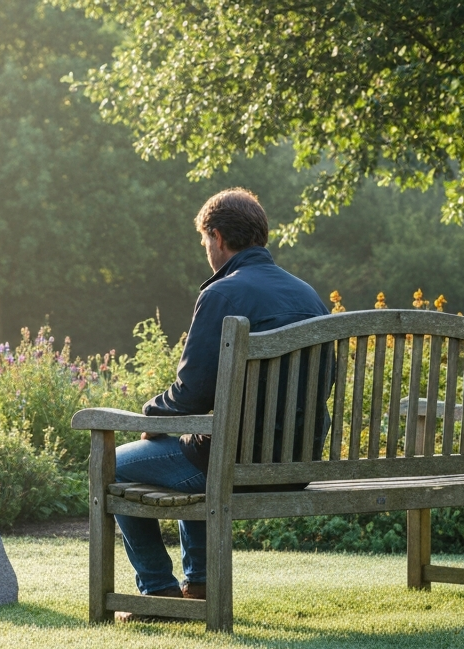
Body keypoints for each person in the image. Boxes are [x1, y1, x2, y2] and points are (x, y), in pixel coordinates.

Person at [113, 188, 329, 621]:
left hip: (234, 462)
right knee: (199, 447)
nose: (206, 251)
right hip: (296, 465)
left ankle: (159, 592)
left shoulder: (223, 294)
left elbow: (191, 393)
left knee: (111, 463)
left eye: (204, 242)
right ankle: (199, 583)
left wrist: (152, 416)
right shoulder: (310, 297)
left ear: (217, 236)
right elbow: (326, 379)